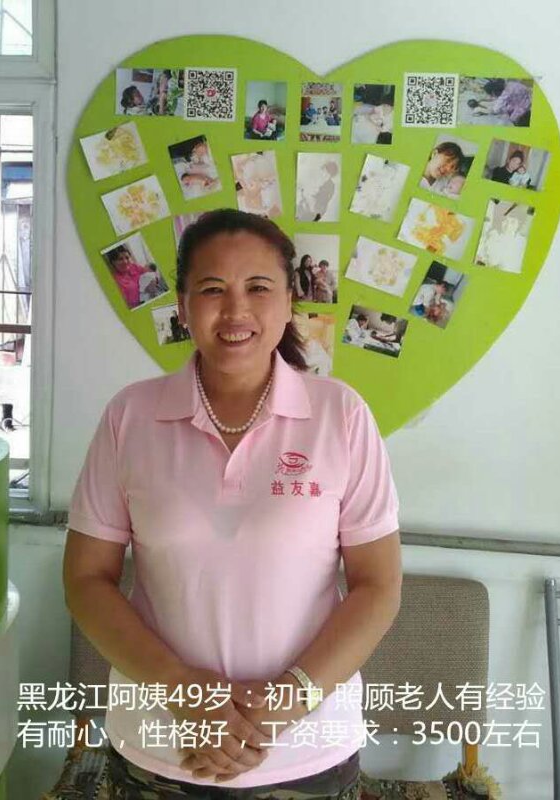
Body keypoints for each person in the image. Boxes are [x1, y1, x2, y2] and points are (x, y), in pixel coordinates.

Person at [64, 209, 401, 797]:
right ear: (183, 304)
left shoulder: (340, 415)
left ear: (291, 301)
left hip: (307, 751)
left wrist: (283, 702)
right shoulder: (130, 417)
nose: (236, 310)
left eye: (259, 287)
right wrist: (184, 692)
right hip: (160, 746)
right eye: (212, 289)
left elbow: (378, 586)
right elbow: (85, 580)